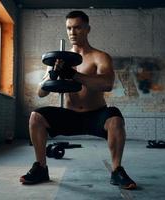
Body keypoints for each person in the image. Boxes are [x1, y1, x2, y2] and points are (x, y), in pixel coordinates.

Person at [20, 10, 137, 190]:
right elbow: (40, 93)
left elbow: (107, 84)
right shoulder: (59, 60)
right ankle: (41, 168)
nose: (72, 32)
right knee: (36, 117)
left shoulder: (100, 57)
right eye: (69, 28)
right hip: (70, 115)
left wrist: (74, 75)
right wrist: (53, 75)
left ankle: (117, 170)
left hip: (96, 115)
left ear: (87, 29)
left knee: (115, 118)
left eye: (77, 28)